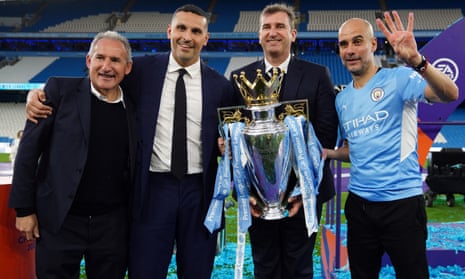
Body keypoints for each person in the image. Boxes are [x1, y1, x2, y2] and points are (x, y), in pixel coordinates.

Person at [25, 4, 235, 279]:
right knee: (144, 271)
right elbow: (99, 78)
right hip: (152, 187)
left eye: (196, 31)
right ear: (169, 31)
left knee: (197, 270)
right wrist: (38, 93)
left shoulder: (222, 86)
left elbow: (235, 131)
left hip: (200, 190)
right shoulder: (142, 71)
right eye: (181, 28)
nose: (187, 36)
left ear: (205, 38)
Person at [325, 11, 459, 278]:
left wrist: (418, 62)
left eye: (357, 41)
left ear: (373, 45)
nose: (350, 50)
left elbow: (450, 94)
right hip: (360, 207)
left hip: (402, 206)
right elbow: (354, 151)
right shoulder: (342, 99)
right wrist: (328, 153)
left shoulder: (399, 79)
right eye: (344, 44)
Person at [8, 31, 136, 279]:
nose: (106, 67)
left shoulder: (134, 104)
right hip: (60, 220)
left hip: (111, 225)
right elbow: (28, 152)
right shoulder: (58, 92)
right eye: (100, 58)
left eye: (115, 60)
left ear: (128, 67)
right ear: (89, 61)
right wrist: (23, 209)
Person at [228, 3, 338, 278]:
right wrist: (247, 193)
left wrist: (302, 190)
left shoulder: (317, 75)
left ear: (293, 34)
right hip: (258, 198)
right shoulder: (240, 79)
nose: (273, 32)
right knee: (264, 266)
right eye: (267, 27)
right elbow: (234, 140)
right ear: (259, 34)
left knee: (298, 268)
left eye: (280, 26)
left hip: (304, 195)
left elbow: (325, 136)